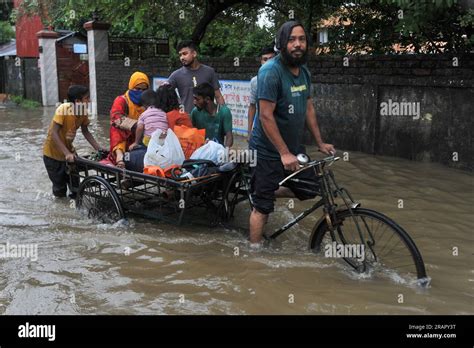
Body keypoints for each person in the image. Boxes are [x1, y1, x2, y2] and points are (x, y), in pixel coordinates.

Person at [248, 21, 336, 245]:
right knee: (262, 208)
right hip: (267, 150)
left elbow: (308, 108)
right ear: (281, 43)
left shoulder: (304, 72)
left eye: (302, 39)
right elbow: (266, 115)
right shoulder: (270, 72)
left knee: (310, 189)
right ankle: (253, 252)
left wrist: (320, 142)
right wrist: (283, 153)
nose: (298, 44)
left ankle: (265, 190)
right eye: (291, 40)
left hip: (293, 147)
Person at [43, 85, 104, 198]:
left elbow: (86, 131)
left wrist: (98, 148)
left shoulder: (83, 112)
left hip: (69, 153)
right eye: (86, 98)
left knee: (75, 187)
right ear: (77, 101)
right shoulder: (63, 109)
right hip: (52, 156)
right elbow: (54, 133)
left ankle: (75, 207)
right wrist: (66, 153)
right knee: (60, 189)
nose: (89, 101)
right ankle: (61, 211)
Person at [106, 71, 149, 168]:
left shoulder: (148, 102)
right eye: (137, 89)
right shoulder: (122, 100)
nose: (141, 92)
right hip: (124, 138)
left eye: (144, 89)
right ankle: (119, 157)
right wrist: (136, 125)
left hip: (141, 137)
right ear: (131, 87)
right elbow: (115, 117)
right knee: (116, 127)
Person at [168, 40, 225, 114]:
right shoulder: (176, 75)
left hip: (207, 120)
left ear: (194, 53)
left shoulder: (209, 72)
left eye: (185, 54)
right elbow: (164, 94)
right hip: (186, 121)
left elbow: (218, 96)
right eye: (180, 55)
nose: (182, 57)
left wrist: (223, 114)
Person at [191, 83, 233, 147]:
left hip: (218, 151)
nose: (194, 102)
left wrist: (225, 152)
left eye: (197, 99)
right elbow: (191, 133)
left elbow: (229, 137)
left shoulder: (224, 112)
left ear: (207, 99)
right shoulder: (195, 112)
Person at [247, 46, 276, 137]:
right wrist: (249, 131)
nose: (267, 62)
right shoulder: (255, 81)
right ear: (261, 61)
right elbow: (252, 106)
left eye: (271, 59)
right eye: (265, 59)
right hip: (260, 128)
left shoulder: (283, 79)